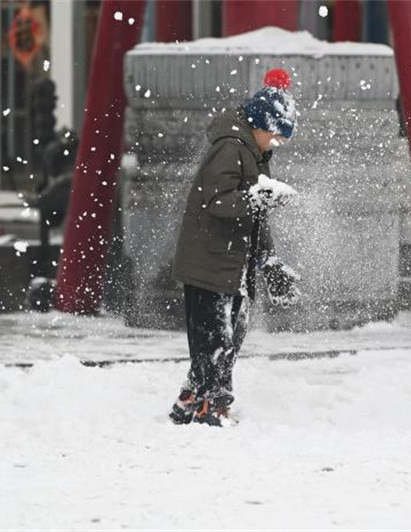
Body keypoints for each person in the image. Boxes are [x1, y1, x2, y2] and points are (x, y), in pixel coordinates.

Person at [169, 69, 301, 427]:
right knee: (216, 338)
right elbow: (217, 202)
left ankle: (191, 399)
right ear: (259, 124)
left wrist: (270, 262)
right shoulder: (230, 148)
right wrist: (257, 198)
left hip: (231, 263)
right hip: (209, 264)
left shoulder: (253, 154)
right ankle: (215, 407)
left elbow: (254, 218)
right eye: (275, 135)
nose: (277, 143)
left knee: (230, 333)